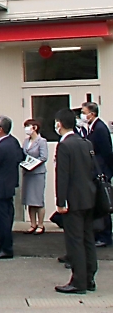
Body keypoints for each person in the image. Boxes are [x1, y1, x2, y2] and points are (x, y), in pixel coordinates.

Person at [54, 108, 98, 294]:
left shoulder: (64, 146)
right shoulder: (85, 142)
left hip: (73, 200)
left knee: (75, 241)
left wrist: (61, 201)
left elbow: (63, 175)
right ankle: (89, 277)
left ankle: (78, 281)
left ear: (59, 124)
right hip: (88, 197)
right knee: (88, 238)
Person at [0, 116, 24, 259]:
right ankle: (0, 242)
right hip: (9, 184)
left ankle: (6, 248)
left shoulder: (2, 147)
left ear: (0, 129)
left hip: (0, 185)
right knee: (6, 215)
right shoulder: (13, 141)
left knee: (2, 219)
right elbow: (21, 156)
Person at [82, 102, 113, 247]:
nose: (82, 115)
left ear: (92, 114)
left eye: (84, 112)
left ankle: (105, 236)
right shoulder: (91, 128)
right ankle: (98, 233)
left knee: (103, 204)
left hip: (101, 171)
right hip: (95, 171)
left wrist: (107, 172)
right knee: (97, 204)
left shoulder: (100, 128)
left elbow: (107, 152)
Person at [21, 118, 48, 235]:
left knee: (38, 200)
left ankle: (41, 224)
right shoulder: (26, 141)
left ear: (35, 128)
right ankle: (32, 224)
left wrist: (33, 163)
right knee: (29, 199)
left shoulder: (42, 141)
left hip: (38, 173)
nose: (26, 129)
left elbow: (44, 157)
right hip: (27, 173)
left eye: (28, 126)